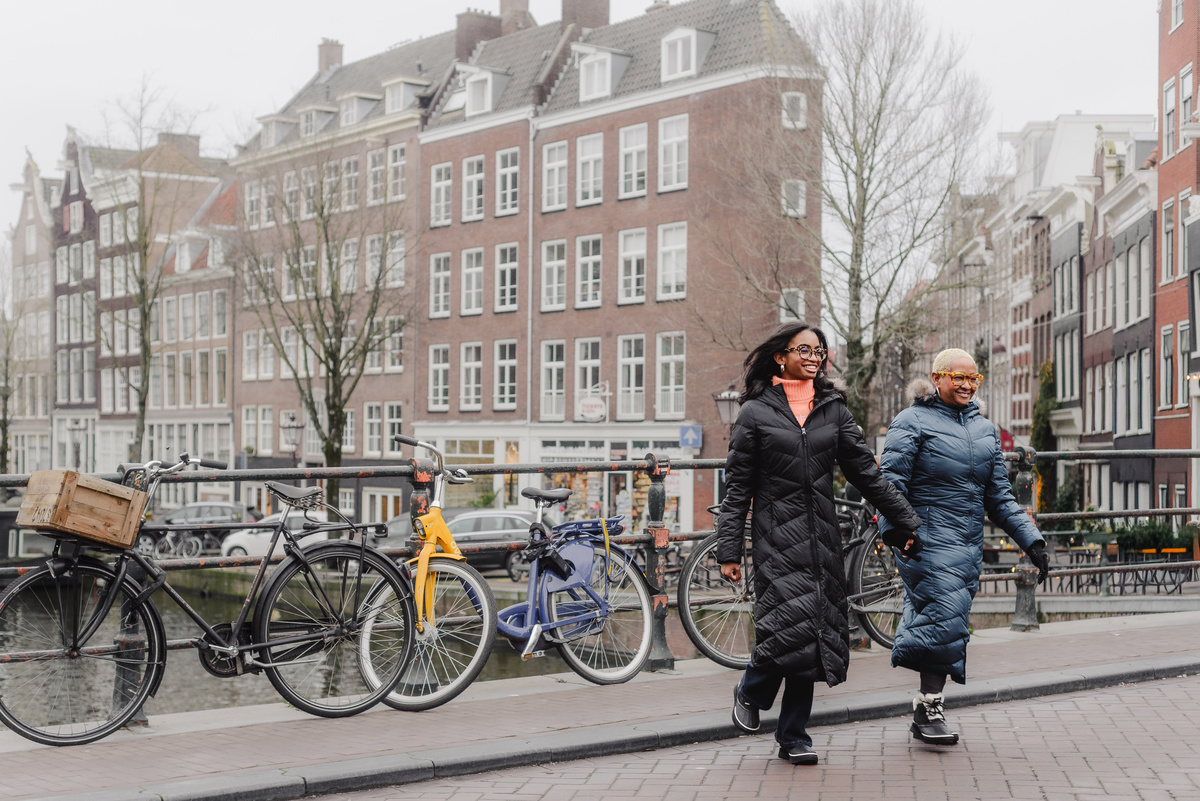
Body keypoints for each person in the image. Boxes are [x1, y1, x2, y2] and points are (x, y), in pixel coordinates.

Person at [716, 322, 922, 765]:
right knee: (788, 625)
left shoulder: (833, 411)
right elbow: (737, 489)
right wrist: (728, 550)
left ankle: (793, 735)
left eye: (819, 350)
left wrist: (906, 523)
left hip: (824, 536)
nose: (814, 356)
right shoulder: (755, 413)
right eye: (804, 349)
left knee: (811, 635)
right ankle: (751, 689)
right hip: (776, 536)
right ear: (781, 356)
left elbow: (868, 475)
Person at [878, 348, 1050, 746]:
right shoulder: (911, 421)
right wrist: (898, 529)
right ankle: (929, 708)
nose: (967, 385)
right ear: (936, 378)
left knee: (945, 615)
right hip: (923, 537)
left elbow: (1001, 498)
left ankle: (924, 696)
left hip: (967, 542)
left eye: (974, 379)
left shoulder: (986, 430)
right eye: (958, 377)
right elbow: (889, 486)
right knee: (946, 613)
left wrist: (1033, 541)